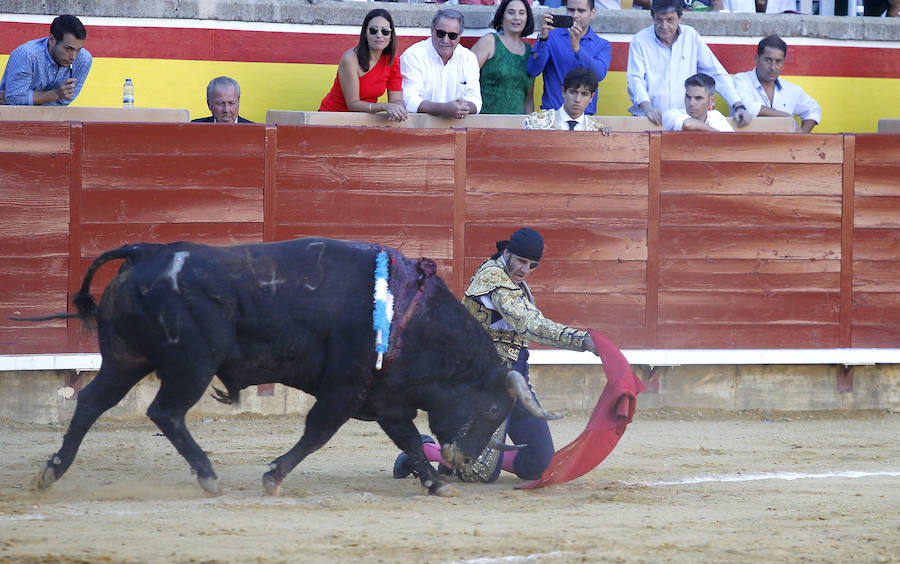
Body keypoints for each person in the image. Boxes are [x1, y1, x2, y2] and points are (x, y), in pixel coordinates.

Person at [393, 228, 598, 483]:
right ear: (507, 252)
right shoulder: (494, 281)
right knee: (477, 472)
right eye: (521, 261)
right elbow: (530, 325)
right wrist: (582, 341)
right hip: (485, 383)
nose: (525, 270)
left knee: (537, 462)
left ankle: (470, 456)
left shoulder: (511, 279)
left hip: (514, 377)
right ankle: (423, 449)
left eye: (532, 265)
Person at [626, 0, 751, 127]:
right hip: (649, 119)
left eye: (670, 20)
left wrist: (738, 105)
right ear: (652, 17)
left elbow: (716, 73)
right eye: (659, 20)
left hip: (684, 120)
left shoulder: (690, 36)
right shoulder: (640, 40)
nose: (664, 26)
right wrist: (648, 108)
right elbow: (635, 79)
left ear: (680, 18)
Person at [319, 8, 407, 121]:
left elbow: (395, 100)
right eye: (373, 30)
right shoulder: (350, 59)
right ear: (365, 33)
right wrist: (385, 106)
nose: (379, 35)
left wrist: (397, 110)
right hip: (332, 118)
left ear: (391, 36)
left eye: (385, 31)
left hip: (365, 120)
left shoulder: (392, 60)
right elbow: (353, 104)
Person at [526, 0, 611, 116]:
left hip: (584, 119)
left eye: (581, 11)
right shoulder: (551, 36)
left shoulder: (602, 44)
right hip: (552, 116)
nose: (575, 15)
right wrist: (542, 39)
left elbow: (599, 75)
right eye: (571, 10)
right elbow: (533, 70)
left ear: (592, 13)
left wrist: (577, 49)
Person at [400, 9, 482, 119]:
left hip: (456, 129)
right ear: (432, 30)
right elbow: (409, 101)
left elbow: (475, 101)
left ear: (460, 35)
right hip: (418, 128)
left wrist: (461, 108)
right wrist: (444, 109)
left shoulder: (468, 58)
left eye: (452, 35)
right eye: (441, 33)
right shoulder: (414, 55)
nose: (446, 40)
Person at [733, 36, 821, 134]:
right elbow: (747, 107)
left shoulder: (791, 90)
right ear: (757, 59)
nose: (773, 67)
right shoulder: (741, 80)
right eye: (768, 60)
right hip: (746, 147)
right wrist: (787, 117)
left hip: (783, 147)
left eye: (778, 61)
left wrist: (800, 137)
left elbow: (813, 109)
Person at [0, 15, 92, 106]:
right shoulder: (26, 55)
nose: (73, 57)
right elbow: (15, 99)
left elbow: (64, 101)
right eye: (68, 48)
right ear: (51, 39)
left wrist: (24, 98)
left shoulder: (84, 59)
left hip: (52, 118)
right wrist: (55, 94)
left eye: (79, 49)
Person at [470, 0, 536, 115]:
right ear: (502, 17)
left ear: (527, 18)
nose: (517, 17)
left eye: (521, 13)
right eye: (511, 12)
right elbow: (464, 77)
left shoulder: (530, 51)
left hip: (516, 126)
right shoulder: (490, 41)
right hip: (484, 123)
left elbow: (529, 99)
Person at [524, 67, 610, 134]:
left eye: (584, 94)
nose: (577, 100)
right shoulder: (537, 123)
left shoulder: (596, 130)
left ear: (591, 97)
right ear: (563, 91)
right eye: (573, 92)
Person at [662, 73, 733, 132]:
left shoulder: (716, 116)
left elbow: (732, 141)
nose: (691, 103)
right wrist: (718, 134)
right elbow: (688, 124)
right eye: (688, 97)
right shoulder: (671, 114)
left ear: (711, 100)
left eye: (698, 98)